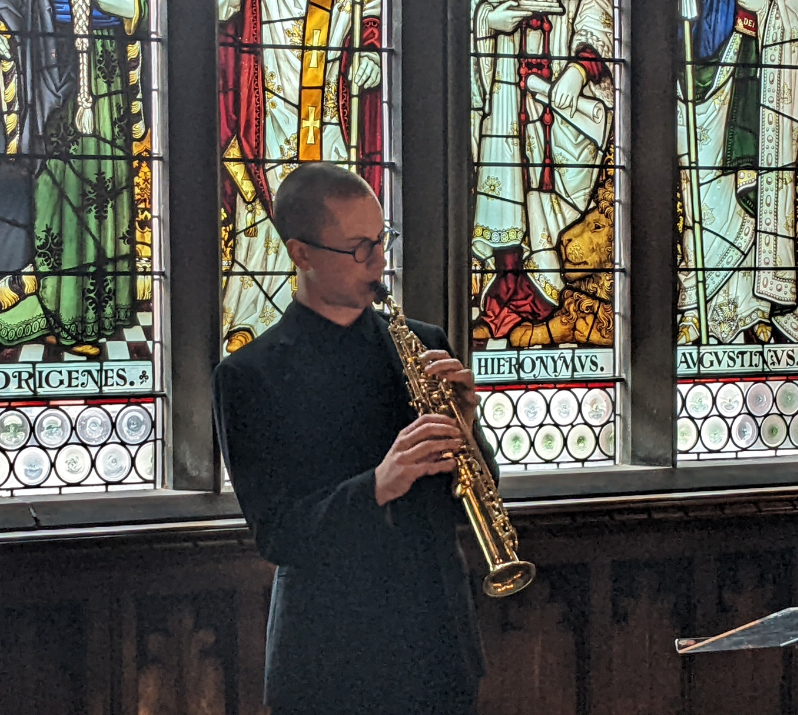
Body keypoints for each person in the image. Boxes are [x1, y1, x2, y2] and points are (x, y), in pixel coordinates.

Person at [212, 162, 497, 715]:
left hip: (438, 645)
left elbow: (475, 493)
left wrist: (466, 432)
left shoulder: (422, 343)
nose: (380, 261)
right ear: (302, 254)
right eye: (360, 248)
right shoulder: (250, 376)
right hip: (329, 659)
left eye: (382, 239)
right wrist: (378, 486)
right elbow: (279, 534)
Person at [0, 0, 149, 375]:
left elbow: (139, 9)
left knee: (102, 191)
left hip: (104, 65)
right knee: (51, 197)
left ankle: (83, 319)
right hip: (40, 60)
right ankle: (13, 322)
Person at [217, 0, 384, 356]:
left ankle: (344, 324)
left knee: (336, 211)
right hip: (270, 82)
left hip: (329, 80)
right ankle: (254, 318)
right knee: (265, 205)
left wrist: (370, 50)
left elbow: (371, 10)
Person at [470, 0, 615, 346]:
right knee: (505, 188)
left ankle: (546, 300)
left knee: (554, 201)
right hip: (505, 87)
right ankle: (500, 305)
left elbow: (597, 12)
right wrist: (489, 20)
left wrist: (579, 70)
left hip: (560, 100)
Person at [676, 0, 798, 346]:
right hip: (688, 64)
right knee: (698, 194)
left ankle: (755, 308)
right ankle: (693, 309)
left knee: (747, 183)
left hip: (744, 57)